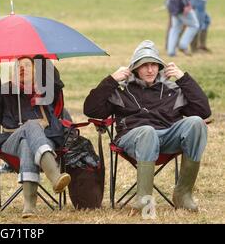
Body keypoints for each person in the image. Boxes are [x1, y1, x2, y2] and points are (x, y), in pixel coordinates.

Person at [84, 40, 211, 213]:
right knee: (147, 131)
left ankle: (183, 193)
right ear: (135, 67)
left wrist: (184, 79)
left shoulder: (173, 89)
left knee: (196, 122)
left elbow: (203, 111)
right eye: (145, 65)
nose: (150, 70)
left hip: (166, 138)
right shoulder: (122, 91)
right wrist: (111, 80)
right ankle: (145, 200)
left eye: (154, 65)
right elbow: (91, 109)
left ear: (160, 66)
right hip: (132, 138)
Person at [0, 57, 71, 218]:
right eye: (18, 65)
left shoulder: (45, 91)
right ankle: (54, 174)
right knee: (31, 125)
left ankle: (29, 206)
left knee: (28, 143)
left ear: (36, 70)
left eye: (27, 65)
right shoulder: (5, 93)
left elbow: (55, 81)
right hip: (10, 141)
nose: (22, 68)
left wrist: (39, 55)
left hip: (44, 139)